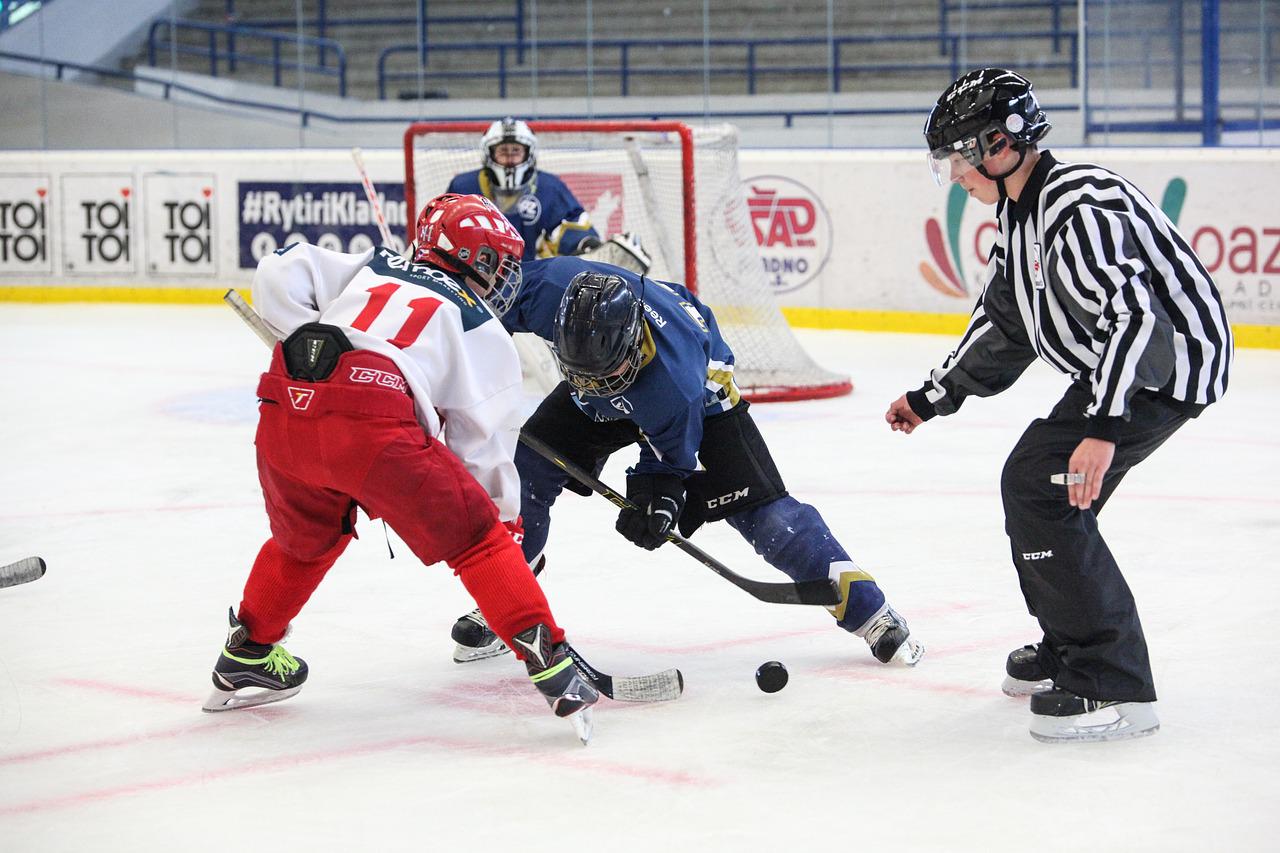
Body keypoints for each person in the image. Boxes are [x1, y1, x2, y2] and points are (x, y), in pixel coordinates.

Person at [886, 68, 1232, 742]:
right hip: (1122, 366)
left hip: (1162, 367)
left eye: (959, 157)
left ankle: (1115, 684)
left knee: (1042, 484)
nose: (954, 174)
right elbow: (1005, 324)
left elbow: (1135, 318)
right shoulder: (1019, 215)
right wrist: (935, 395)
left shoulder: (1076, 204)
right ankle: (1073, 647)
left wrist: (1102, 429)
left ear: (999, 144)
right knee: (1049, 488)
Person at [203, 193, 599, 743]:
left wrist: (311, 339)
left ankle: (246, 652)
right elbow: (482, 446)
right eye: (499, 262)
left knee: (304, 542)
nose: (505, 276)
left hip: (285, 400)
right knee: (480, 540)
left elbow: (279, 268)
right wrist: (503, 525)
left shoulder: (373, 264)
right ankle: (554, 666)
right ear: (475, 259)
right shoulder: (481, 325)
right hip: (374, 425)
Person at [449, 255, 924, 668]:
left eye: (608, 374)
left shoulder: (674, 388)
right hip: (609, 367)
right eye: (580, 371)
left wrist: (656, 503)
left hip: (700, 393)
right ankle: (510, 596)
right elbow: (474, 308)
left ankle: (869, 611)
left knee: (760, 510)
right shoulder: (552, 290)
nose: (598, 387)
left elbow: (667, 466)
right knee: (526, 467)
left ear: (633, 345)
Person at [446, 117, 602, 260]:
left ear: (529, 153)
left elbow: (574, 227)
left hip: (532, 279)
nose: (510, 158)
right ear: (489, 154)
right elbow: (446, 233)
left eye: (516, 151)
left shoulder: (550, 188)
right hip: (475, 279)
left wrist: (584, 244)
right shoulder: (463, 187)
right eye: (503, 151)